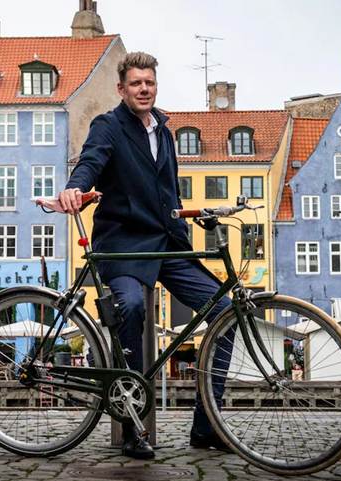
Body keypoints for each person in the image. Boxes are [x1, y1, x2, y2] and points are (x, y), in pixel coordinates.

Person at [57, 52, 233, 460]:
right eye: (136, 83)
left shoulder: (165, 132)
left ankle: (208, 424)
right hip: (122, 244)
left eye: (149, 82)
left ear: (156, 85)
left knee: (224, 311)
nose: (144, 89)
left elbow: (167, 188)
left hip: (166, 243)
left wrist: (192, 218)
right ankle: (133, 422)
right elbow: (91, 162)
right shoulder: (109, 126)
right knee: (132, 307)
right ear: (122, 89)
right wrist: (74, 187)